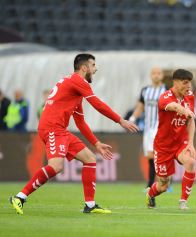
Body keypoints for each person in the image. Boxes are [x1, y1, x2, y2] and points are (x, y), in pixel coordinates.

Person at [8, 53, 139, 215]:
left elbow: (80, 122)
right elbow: (97, 104)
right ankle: (20, 197)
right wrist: (121, 120)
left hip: (60, 130)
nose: (95, 69)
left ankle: (90, 205)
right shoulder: (78, 81)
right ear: (84, 68)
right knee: (56, 166)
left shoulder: (74, 88)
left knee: (90, 158)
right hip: (52, 128)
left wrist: (96, 143)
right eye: (93, 66)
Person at [145, 69, 196, 210]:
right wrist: (183, 110)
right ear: (176, 82)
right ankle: (150, 194)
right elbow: (173, 106)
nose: (189, 86)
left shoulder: (190, 96)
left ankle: (183, 201)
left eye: (189, 83)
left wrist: (191, 144)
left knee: (190, 161)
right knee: (163, 185)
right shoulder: (165, 97)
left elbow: (191, 121)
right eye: (185, 83)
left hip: (181, 142)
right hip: (163, 146)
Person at [129, 67, 167, 189]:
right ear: (151, 75)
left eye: (158, 73)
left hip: (160, 128)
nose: (156, 75)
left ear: (162, 75)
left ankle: (156, 183)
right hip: (148, 128)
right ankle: (154, 183)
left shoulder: (166, 90)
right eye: (154, 73)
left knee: (158, 155)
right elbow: (140, 107)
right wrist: (132, 119)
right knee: (151, 157)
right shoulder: (145, 90)